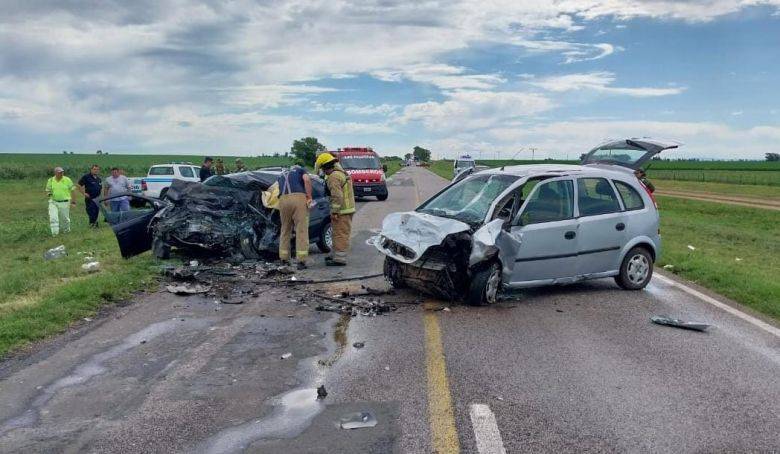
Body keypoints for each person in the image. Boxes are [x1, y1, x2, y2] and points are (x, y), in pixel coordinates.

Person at [315, 153, 355, 266]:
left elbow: (337, 196)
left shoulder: (333, 177)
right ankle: (335, 255)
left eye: (322, 169)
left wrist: (335, 211)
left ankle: (340, 258)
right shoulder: (341, 173)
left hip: (342, 211)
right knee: (337, 233)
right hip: (347, 209)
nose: (322, 171)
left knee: (340, 234)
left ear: (325, 167)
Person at [277, 165, 314, 269]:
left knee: (285, 229)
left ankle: (284, 259)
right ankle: (301, 261)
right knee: (301, 229)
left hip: (283, 200)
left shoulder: (281, 175)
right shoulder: (300, 170)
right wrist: (309, 196)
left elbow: (277, 189)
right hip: (298, 198)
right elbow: (306, 180)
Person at [45, 167, 76, 236]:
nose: (61, 174)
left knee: (65, 219)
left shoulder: (67, 180)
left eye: (62, 172)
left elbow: (73, 190)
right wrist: (49, 194)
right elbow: (47, 190)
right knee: (53, 218)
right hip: (53, 202)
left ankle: (66, 231)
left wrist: (73, 202)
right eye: (59, 172)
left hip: (65, 202)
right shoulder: (50, 180)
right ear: (55, 173)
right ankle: (55, 234)